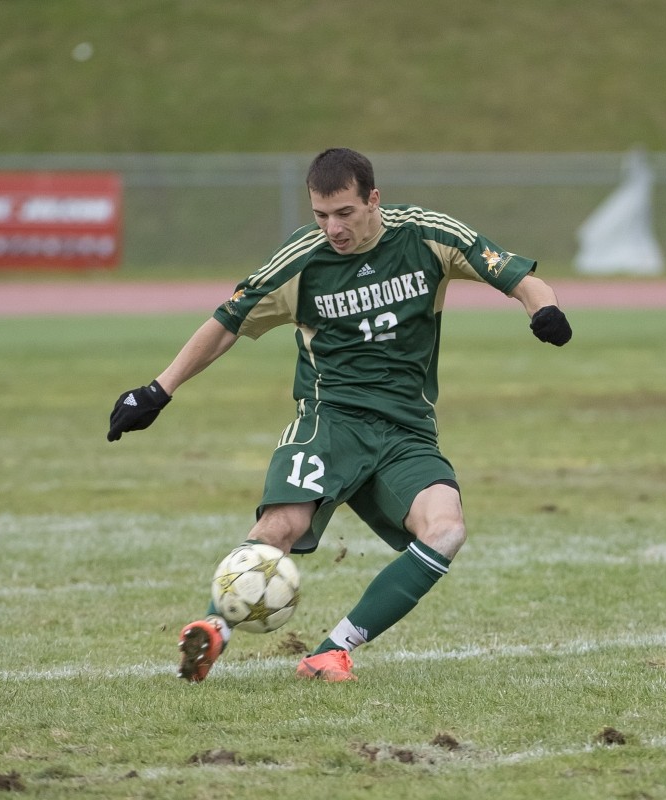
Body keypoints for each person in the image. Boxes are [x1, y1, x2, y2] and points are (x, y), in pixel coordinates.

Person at [107, 147, 572, 683]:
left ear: (373, 199)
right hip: (329, 421)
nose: (333, 228)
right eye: (321, 215)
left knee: (446, 530)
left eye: (345, 213)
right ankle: (215, 628)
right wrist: (158, 390)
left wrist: (544, 309)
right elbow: (226, 323)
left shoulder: (426, 235)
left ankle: (330, 652)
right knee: (282, 524)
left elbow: (515, 274)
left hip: (406, 430)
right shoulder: (301, 260)